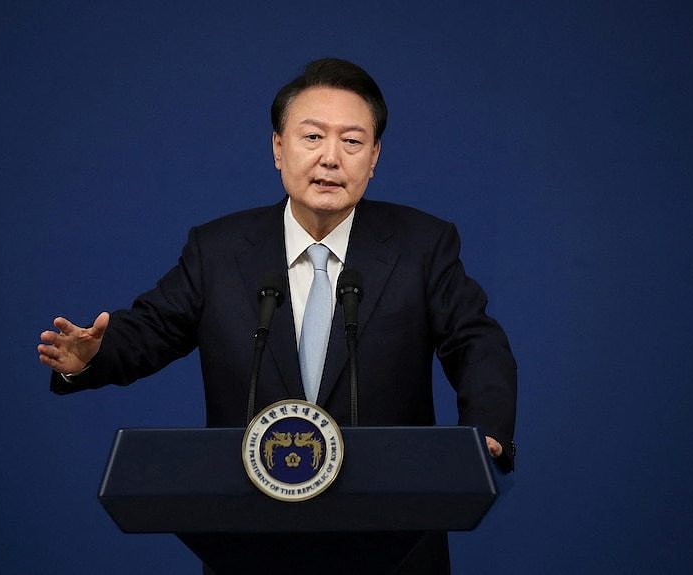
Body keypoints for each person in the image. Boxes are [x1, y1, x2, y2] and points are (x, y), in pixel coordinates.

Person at [38, 58, 516, 574]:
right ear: (278, 148)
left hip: (394, 543)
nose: (331, 159)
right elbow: (153, 327)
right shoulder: (218, 250)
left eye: (352, 142)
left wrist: (482, 430)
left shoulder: (422, 245)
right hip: (250, 540)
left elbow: (475, 341)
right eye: (312, 137)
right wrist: (89, 355)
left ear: (374, 157)